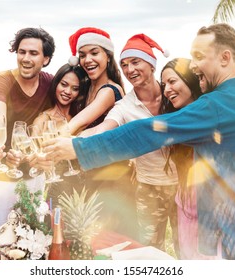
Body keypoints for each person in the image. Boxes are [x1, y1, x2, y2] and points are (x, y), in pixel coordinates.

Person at [43, 23, 235, 260]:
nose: (192, 66)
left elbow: (149, 132)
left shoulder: (217, 104)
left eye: (199, 56)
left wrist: (78, 147)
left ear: (225, 58)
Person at [80, 34, 179, 254]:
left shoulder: (173, 94)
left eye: (136, 62)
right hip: (149, 188)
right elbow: (103, 128)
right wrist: (71, 141)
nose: (129, 69)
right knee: (150, 251)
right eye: (124, 64)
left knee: (188, 248)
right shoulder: (125, 106)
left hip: (184, 186)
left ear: (152, 65)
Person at [65, 27, 133, 235]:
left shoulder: (109, 91)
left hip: (111, 177)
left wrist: (55, 138)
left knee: (108, 239)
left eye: (94, 53)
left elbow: (77, 124)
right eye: (83, 55)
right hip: (93, 172)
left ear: (107, 56)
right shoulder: (87, 88)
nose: (88, 60)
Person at [160, 58, 219, 259]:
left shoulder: (211, 116)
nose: (166, 89)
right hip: (185, 207)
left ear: (189, 80)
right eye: (164, 85)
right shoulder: (176, 119)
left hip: (211, 213)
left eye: (172, 81)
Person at [0, 27, 56, 178]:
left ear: (46, 59)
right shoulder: (1, 79)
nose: (25, 58)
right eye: (22, 52)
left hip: (34, 171)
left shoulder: (51, 83)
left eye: (33, 53)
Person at [28, 63, 86, 205]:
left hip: (82, 191)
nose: (68, 91)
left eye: (75, 88)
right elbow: (32, 155)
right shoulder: (43, 120)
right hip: (54, 191)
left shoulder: (81, 118)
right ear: (56, 84)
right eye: (64, 84)